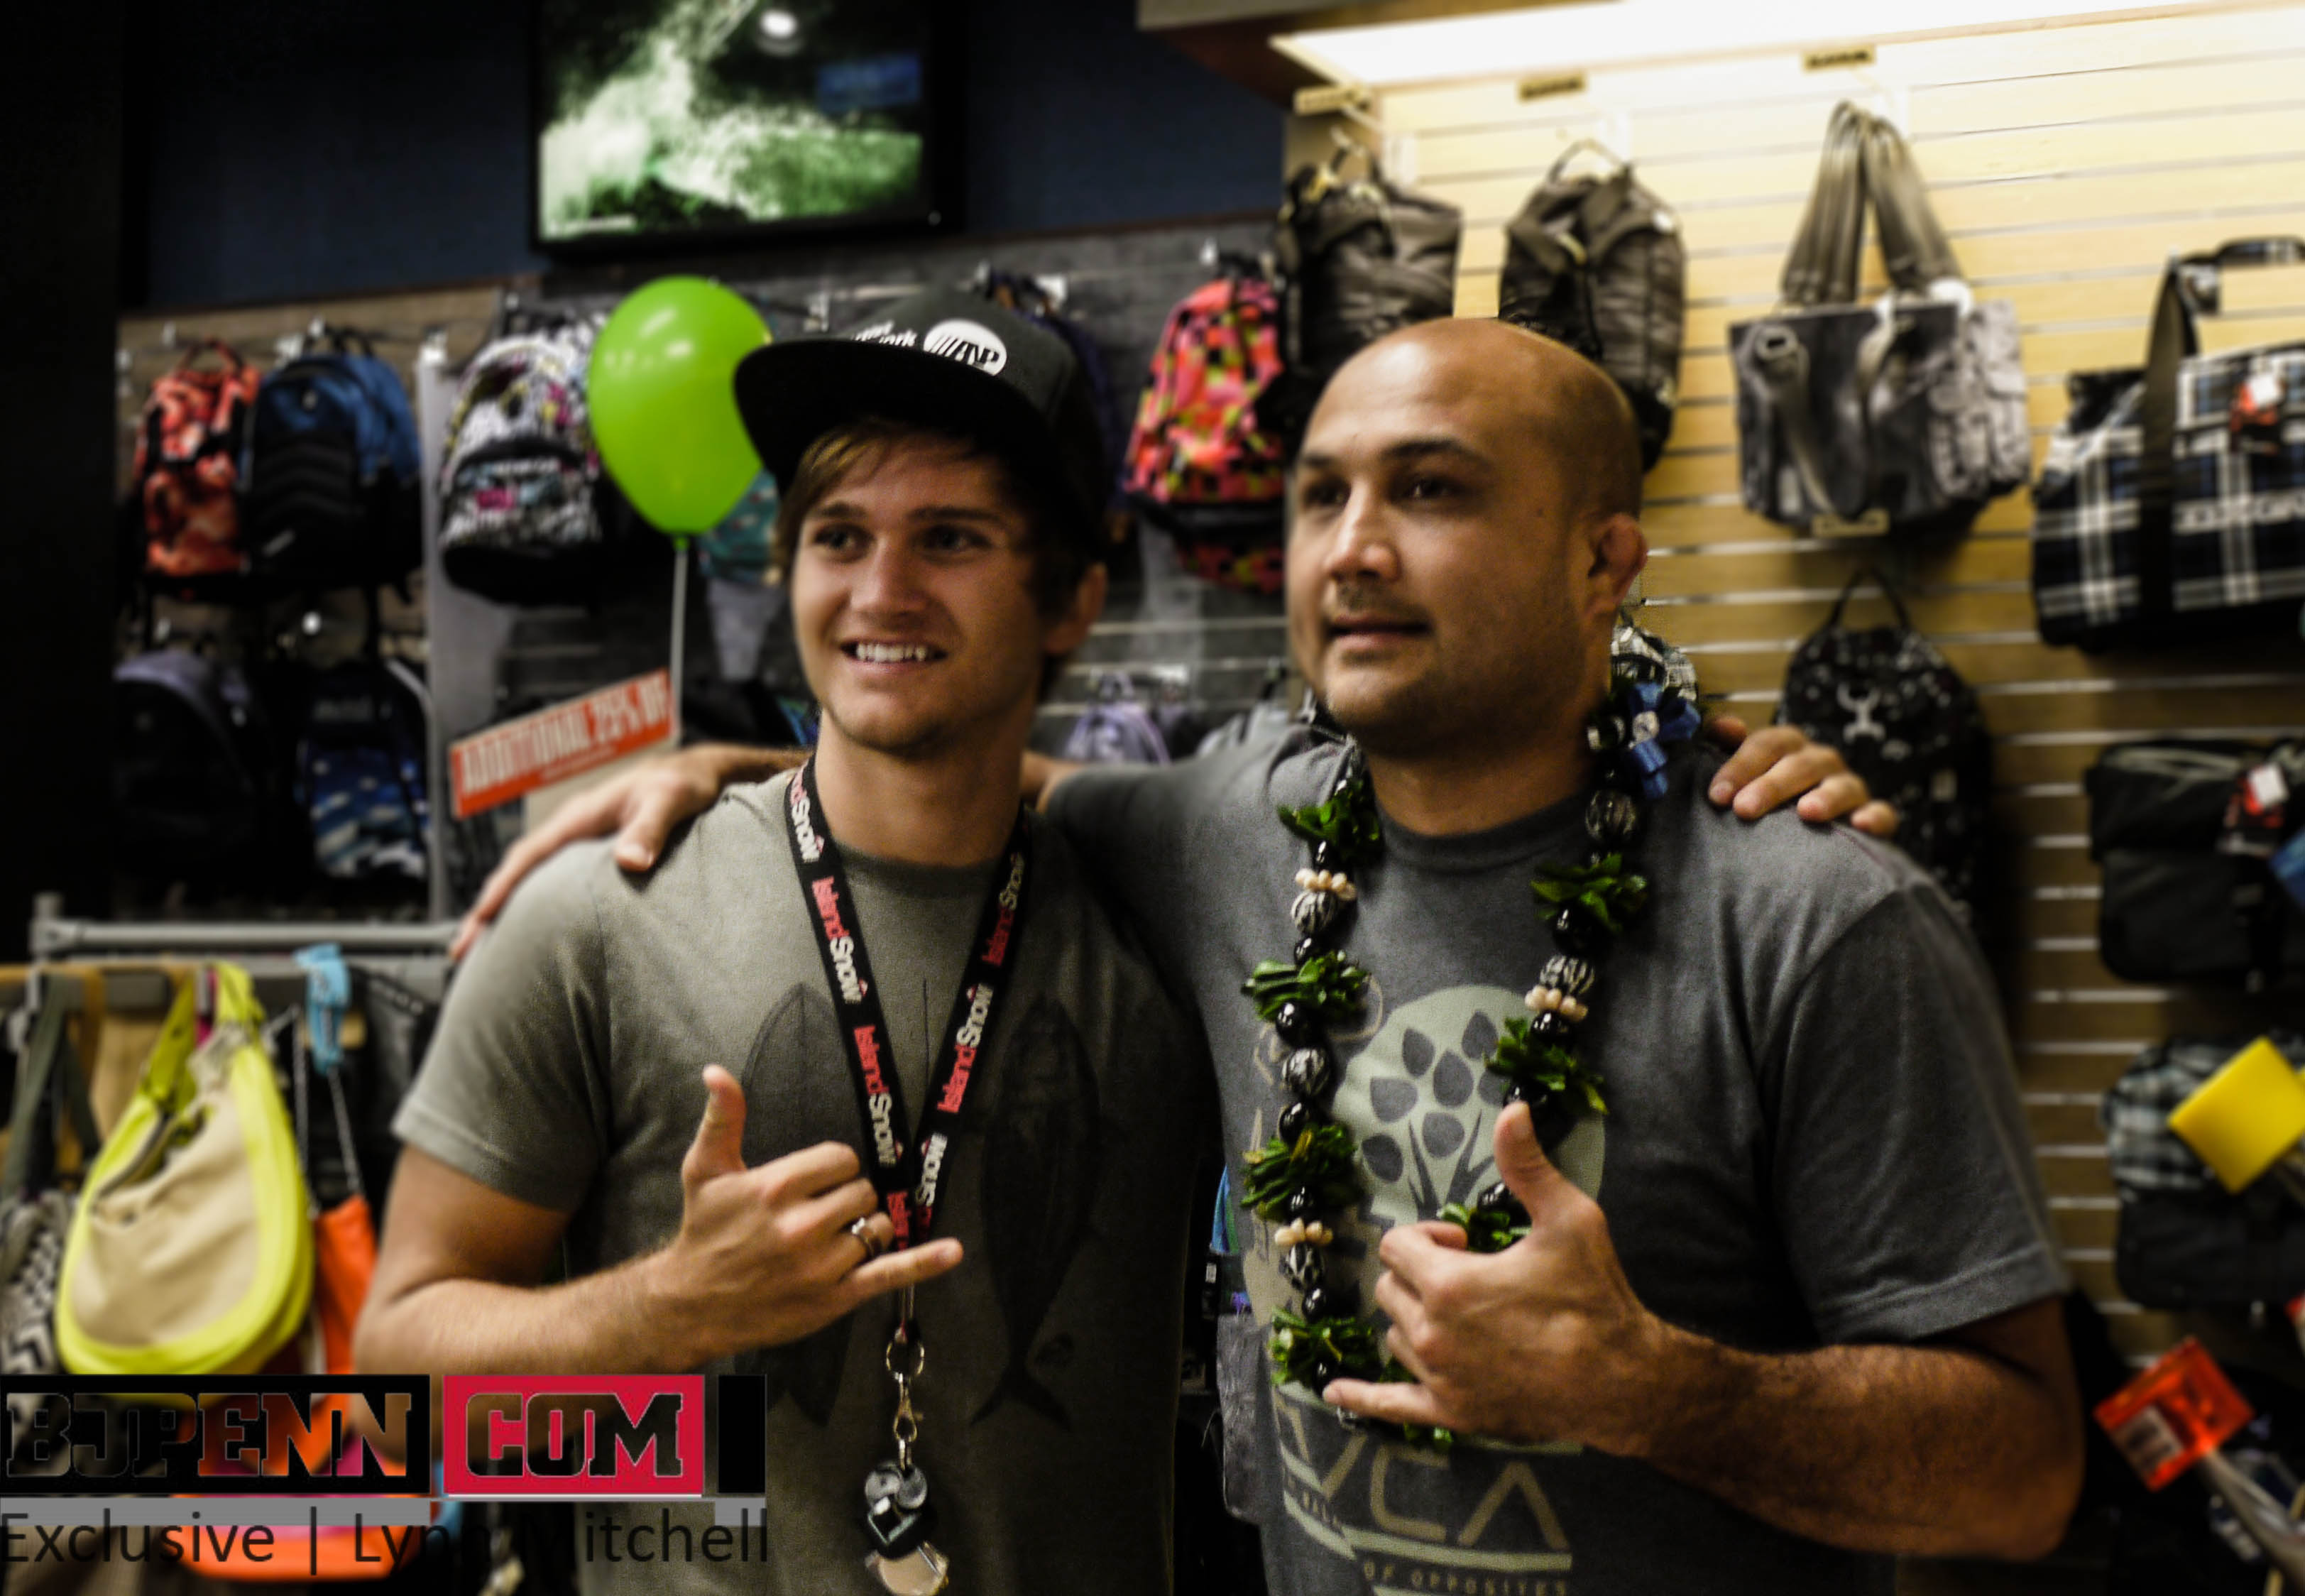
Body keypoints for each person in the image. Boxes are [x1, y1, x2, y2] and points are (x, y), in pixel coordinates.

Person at [438, 317, 2071, 1596]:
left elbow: (2025, 1479)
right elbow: (361, 1446)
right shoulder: (1210, 835)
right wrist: (659, 1315)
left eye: (1430, 490)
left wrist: (1651, 1388)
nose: (1353, 546)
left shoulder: (1812, 910)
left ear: (1603, 563)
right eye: (1320, 496)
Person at [357, 289, 1217, 1596]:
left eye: (950, 537)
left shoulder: (1167, 914)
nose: (881, 590)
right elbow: (397, 1405)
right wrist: (665, 1311)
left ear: (1072, 600)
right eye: (839, 535)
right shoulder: (601, 914)